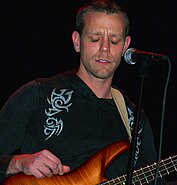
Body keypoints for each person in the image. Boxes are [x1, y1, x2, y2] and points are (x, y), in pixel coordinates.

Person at [0, 0, 167, 184]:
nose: (105, 48)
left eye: (114, 40)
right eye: (95, 39)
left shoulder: (135, 120)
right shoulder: (39, 95)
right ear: (77, 41)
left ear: (125, 46)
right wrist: (18, 163)